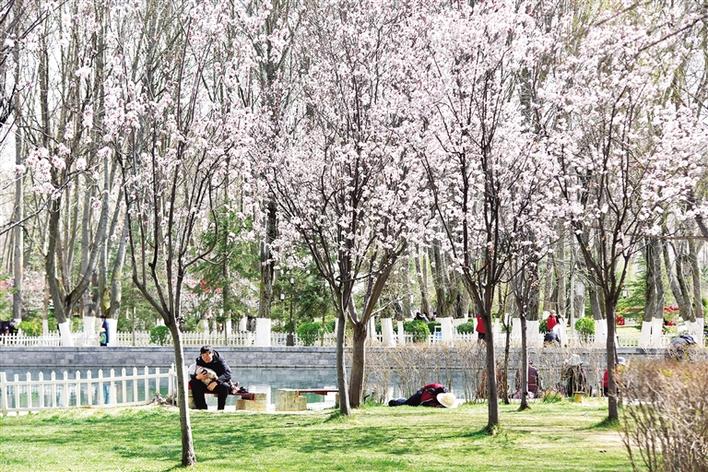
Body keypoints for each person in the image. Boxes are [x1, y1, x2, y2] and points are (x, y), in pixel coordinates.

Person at [189, 345, 232, 410]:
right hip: (204, 383)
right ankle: (202, 408)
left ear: (212, 354)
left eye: (207, 356)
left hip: (217, 383)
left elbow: (228, 373)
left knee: (225, 386)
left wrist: (216, 382)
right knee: (194, 383)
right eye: (203, 356)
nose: (205, 358)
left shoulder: (219, 360)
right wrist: (197, 377)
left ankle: (220, 409)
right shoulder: (199, 360)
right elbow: (192, 374)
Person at [388, 383, 456, 408]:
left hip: (423, 394)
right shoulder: (430, 396)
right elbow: (422, 403)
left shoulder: (445, 392)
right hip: (419, 396)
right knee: (406, 403)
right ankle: (396, 401)